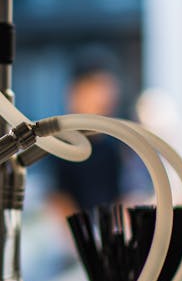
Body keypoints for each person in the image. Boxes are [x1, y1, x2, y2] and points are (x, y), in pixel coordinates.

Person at [47, 47, 130, 219]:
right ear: (76, 93)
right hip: (76, 236)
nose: (104, 97)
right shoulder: (61, 143)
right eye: (97, 88)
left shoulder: (112, 146)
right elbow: (58, 200)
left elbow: (119, 197)